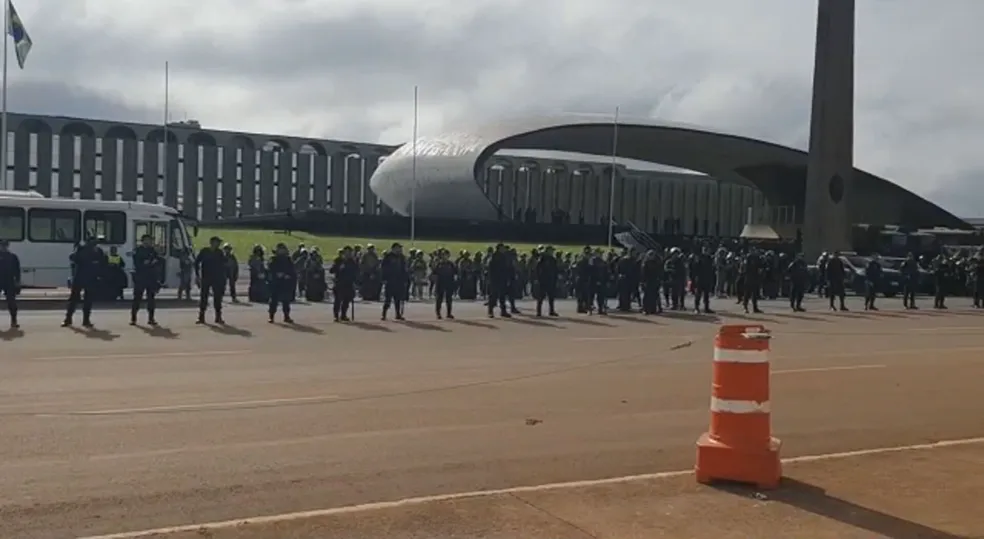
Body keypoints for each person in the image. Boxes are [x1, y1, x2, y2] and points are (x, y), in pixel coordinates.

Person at [64, 235, 107, 328]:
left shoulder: (98, 251)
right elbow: (73, 258)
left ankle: (86, 320)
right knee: (74, 299)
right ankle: (68, 318)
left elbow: (103, 263)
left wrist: (100, 275)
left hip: (91, 278)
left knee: (88, 300)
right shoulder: (81, 249)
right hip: (80, 277)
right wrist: (77, 250)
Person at [130, 234, 163, 325]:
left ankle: (151, 318)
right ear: (143, 241)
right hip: (140, 278)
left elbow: (159, 261)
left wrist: (154, 261)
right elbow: (138, 263)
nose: (148, 242)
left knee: (151, 299)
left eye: (149, 240)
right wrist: (147, 263)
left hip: (151, 278)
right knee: (137, 298)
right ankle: (133, 318)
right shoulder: (138, 250)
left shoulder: (152, 250)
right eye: (146, 240)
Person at [195, 236, 228, 324]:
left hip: (217, 278)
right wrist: (197, 275)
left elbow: (224, 265)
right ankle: (201, 317)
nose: (219, 244)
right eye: (217, 242)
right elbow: (196, 262)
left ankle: (218, 316)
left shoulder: (220, 253)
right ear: (212, 242)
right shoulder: (204, 251)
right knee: (203, 297)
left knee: (217, 297)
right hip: (206, 277)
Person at [267, 243, 296, 323]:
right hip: (275, 283)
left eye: (283, 249)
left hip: (285, 283)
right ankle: (271, 316)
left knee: (286, 301)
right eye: (280, 249)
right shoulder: (273, 259)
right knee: (273, 301)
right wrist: (276, 274)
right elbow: (270, 268)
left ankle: (286, 316)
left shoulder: (288, 259)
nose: (281, 251)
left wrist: (287, 275)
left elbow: (292, 270)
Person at [381, 243, 409, 321]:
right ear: (393, 248)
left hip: (399, 281)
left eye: (400, 248)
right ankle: (384, 314)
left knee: (398, 299)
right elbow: (383, 268)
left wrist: (405, 279)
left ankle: (398, 314)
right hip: (390, 281)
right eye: (398, 248)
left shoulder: (402, 257)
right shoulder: (388, 257)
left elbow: (404, 270)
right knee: (388, 299)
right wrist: (384, 279)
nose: (399, 250)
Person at [329, 246, 358, 322]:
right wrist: (338, 267)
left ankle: (343, 315)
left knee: (347, 299)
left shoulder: (352, 261)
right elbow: (331, 270)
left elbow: (356, 272)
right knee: (338, 300)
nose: (348, 254)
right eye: (347, 252)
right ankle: (336, 315)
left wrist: (355, 282)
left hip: (349, 283)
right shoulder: (338, 260)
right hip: (339, 283)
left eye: (350, 252)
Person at [0, 239, 21, 328]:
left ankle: (14, 320)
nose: (3, 247)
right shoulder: (12, 256)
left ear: (7, 246)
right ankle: (14, 321)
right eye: (2, 245)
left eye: (5, 245)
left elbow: (17, 271)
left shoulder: (13, 257)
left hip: (9, 281)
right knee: (11, 301)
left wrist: (17, 281)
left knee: (11, 302)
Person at [534, 246, 560, 317]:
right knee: (541, 297)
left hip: (551, 280)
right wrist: (537, 278)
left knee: (551, 297)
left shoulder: (553, 260)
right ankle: (538, 312)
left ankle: (551, 311)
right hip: (543, 280)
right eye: (551, 250)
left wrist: (556, 280)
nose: (552, 252)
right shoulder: (542, 259)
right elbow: (537, 269)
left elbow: (555, 271)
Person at [432, 249, 457, 319]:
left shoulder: (451, 264)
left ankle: (449, 313)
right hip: (440, 283)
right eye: (443, 255)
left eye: (446, 255)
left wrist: (454, 283)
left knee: (449, 299)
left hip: (449, 283)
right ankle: (438, 313)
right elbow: (434, 273)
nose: (444, 256)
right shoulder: (438, 264)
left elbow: (455, 273)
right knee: (439, 299)